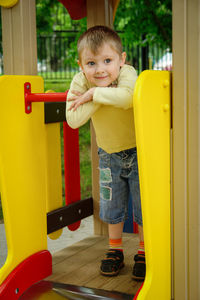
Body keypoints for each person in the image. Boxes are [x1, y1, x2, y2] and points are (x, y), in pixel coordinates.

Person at [66, 25, 145, 281]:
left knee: (141, 204)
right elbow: (73, 119)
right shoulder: (81, 81)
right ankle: (115, 250)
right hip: (108, 155)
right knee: (111, 204)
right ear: (81, 65)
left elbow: (128, 98)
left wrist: (93, 94)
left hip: (138, 152)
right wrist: (98, 95)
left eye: (107, 61)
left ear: (121, 60)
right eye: (91, 63)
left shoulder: (127, 73)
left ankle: (144, 251)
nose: (99, 69)